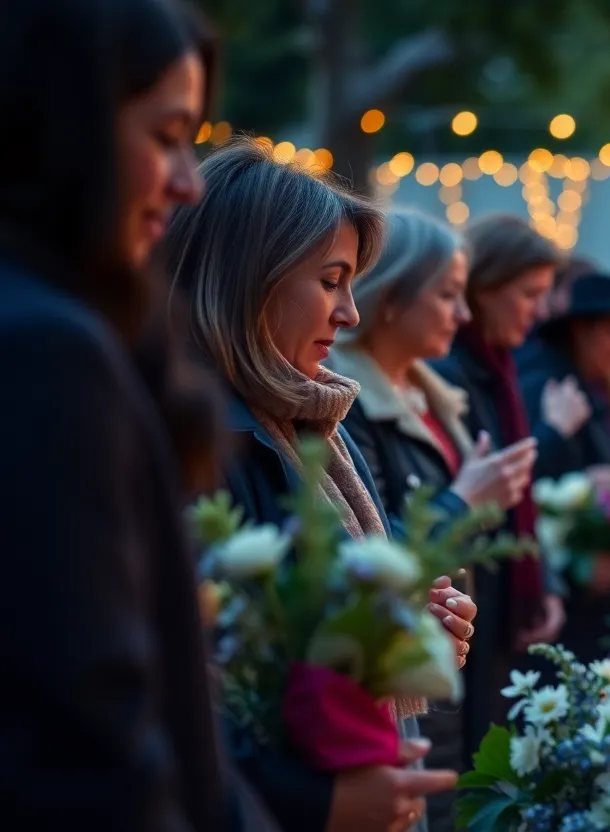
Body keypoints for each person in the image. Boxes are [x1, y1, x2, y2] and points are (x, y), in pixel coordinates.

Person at [164, 139, 475, 832]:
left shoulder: (317, 425)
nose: (350, 313)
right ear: (251, 281)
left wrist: (414, 634)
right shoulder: (201, 449)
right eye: (331, 280)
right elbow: (193, 695)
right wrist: (318, 803)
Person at [0, 1, 260, 828]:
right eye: (166, 135)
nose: (188, 182)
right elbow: (93, 737)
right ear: (64, 128)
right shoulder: (46, 352)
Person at [328, 209, 538, 828]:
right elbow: (370, 544)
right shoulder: (344, 398)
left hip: (461, 643)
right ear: (391, 298)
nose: (464, 314)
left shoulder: (436, 396)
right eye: (448, 295)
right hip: (413, 666)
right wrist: (464, 500)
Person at [431, 213, 582, 757]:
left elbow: (514, 495)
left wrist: (544, 582)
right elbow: (497, 483)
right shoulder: (451, 372)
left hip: (491, 593)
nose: (541, 311)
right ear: (485, 287)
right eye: (529, 294)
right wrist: (554, 433)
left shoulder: (498, 365)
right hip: (464, 599)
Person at [519, 273, 610, 661]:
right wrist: (584, 486)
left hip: (598, 586)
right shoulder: (548, 386)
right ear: (582, 331)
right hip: (561, 594)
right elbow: (524, 478)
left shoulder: (596, 385)